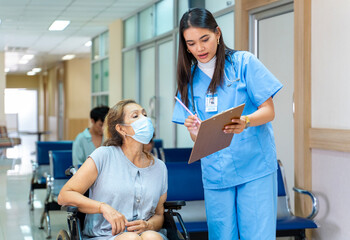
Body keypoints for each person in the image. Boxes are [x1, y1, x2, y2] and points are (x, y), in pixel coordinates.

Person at [172, 8, 283, 240]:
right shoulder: (188, 79)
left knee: (257, 236)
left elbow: (269, 111)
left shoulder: (243, 63)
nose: (199, 49)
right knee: (222, 236)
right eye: (191, 43)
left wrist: (246, 121)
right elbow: (196, 137)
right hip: (216, 172)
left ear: (218, 34)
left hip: (255, 168)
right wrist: (194, 132)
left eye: (205, 39)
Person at [58, 99, 168, 240]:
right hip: (104, 235)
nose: (144, 120)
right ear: (121, 129)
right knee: (131, 239)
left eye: (144, 115)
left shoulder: (159, 167)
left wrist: (148, 225)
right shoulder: (103, 156)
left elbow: (159, 215)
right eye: (136, 116)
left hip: (145, 235)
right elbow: (64, 196)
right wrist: (103, 207)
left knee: (152, 237)